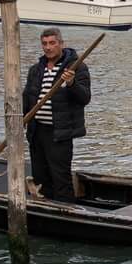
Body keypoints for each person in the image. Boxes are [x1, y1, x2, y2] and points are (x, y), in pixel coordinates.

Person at [22, 27, 91, 203]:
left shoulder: (77, 67)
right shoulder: (36, 69)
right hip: (37, 131)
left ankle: (66, 211)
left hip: (59, 133)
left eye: (52, 43)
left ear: (61, 44)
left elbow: (84, 98)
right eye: (44, 44)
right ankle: (46, 208)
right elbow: (27, 97)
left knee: (60, 177)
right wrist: (19, 120)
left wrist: (71, 83)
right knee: (40, 177)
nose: (48, 47)